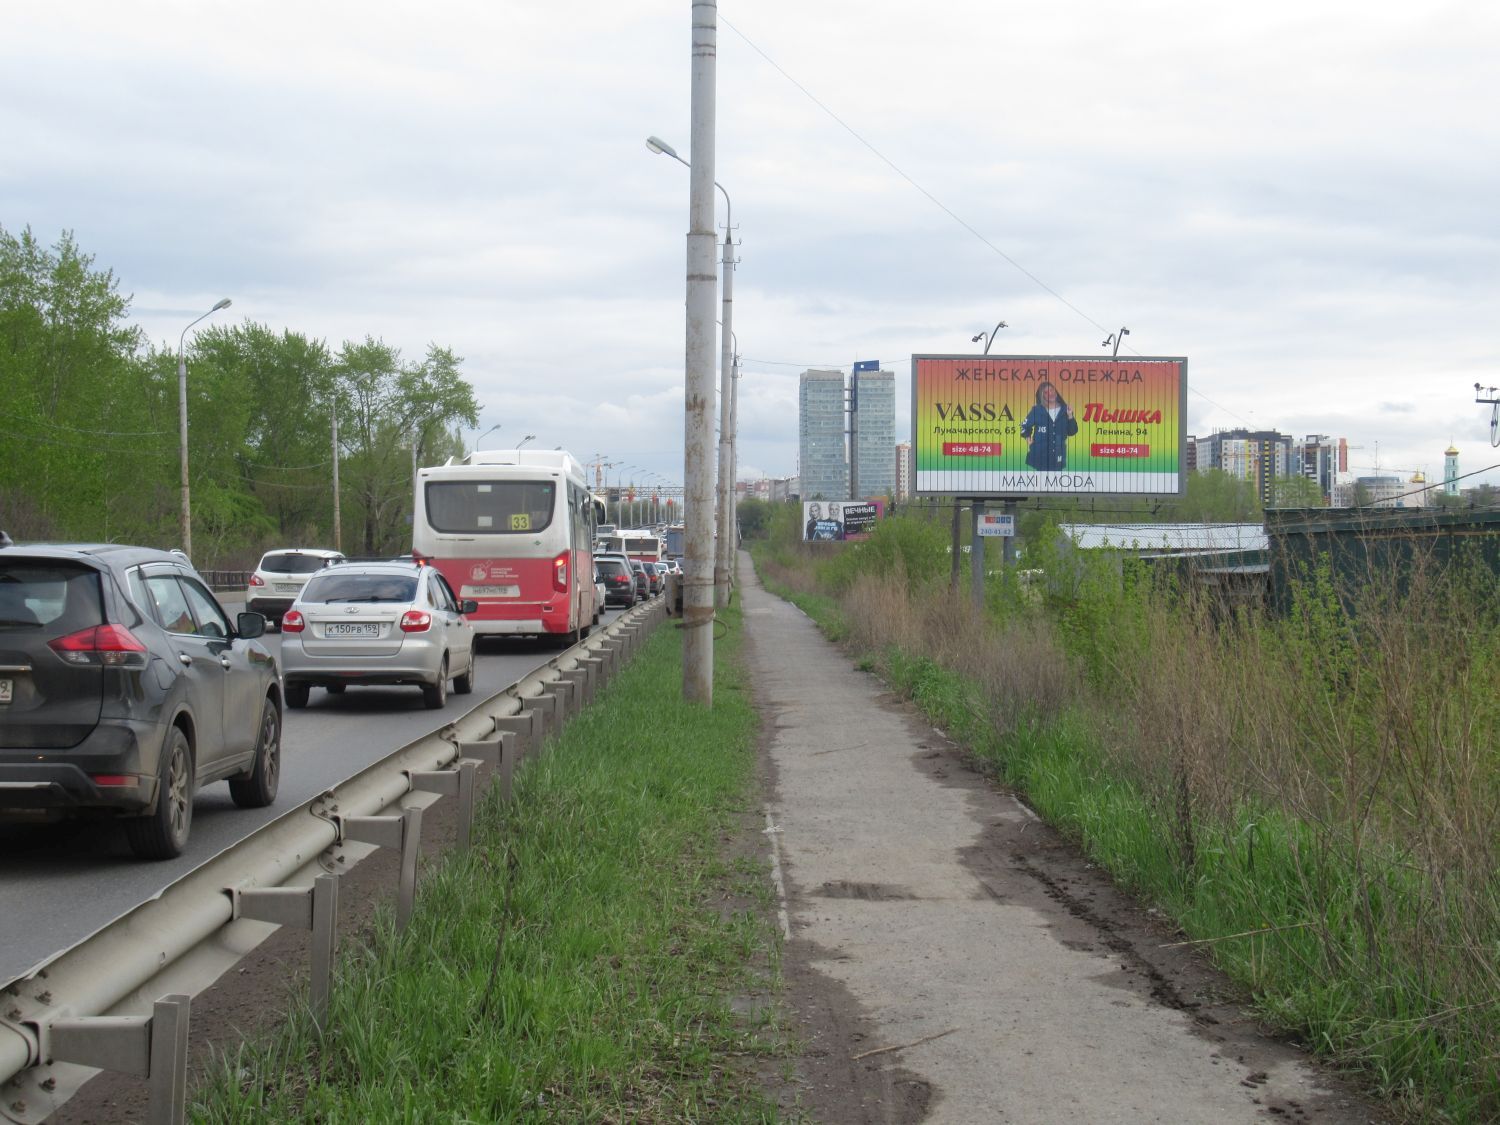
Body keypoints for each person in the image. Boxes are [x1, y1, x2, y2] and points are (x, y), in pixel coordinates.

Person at [1020, 381, 1079, 471]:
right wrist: (1028, 439)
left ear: (1056, 391)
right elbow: (1024, 426)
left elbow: (1072, 432)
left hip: (1058, 455)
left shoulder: (1065, 409)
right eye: (1046, 392)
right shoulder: (1037, 410)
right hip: (1039, 454)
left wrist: (1070, 416)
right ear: (1042, 396)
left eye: (1051, 390)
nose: (1050, 393)